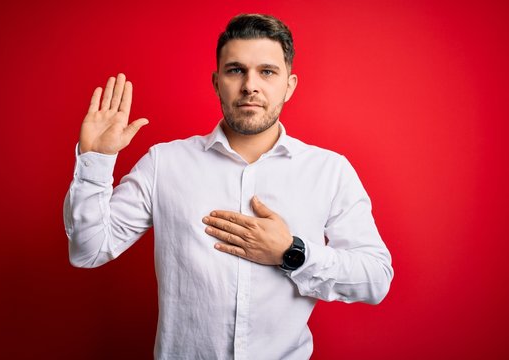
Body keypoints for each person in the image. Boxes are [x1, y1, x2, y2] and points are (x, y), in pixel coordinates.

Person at [64, 13, 393, 360]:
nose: (251, 85)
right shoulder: (165, 163)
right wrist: (96, 160)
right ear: (216, 81)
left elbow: (375, 280)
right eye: (236, 70)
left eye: (267, 72)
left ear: (290, 84)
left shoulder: (330, 171)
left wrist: (291, 252)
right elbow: (88, 251)